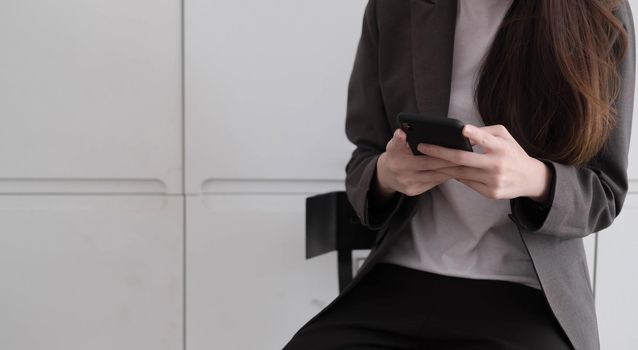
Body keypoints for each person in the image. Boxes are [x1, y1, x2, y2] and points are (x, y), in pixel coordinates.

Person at [283, 0, 635, 349]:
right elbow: (363, 157)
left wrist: (533, 179)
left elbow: (604, 195)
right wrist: (388, 175)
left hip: (528, 293)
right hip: (398, 278)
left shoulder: (599, 11)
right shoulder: (394, 7)